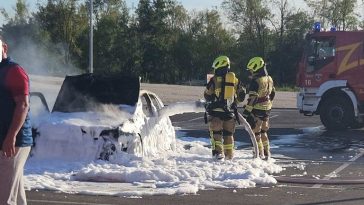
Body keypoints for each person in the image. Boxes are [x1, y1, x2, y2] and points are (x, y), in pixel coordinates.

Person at [0, 35, 33, 205]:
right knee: (15, 194)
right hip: (5, 140)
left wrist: (11, 136)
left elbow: (23, 105)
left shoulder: (13, 71)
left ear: (4, 48)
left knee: (4, 198)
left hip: (13, 142)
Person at [204, 56, 246, 160]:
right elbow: (241, 96)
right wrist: (233, 102)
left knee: (216, 133)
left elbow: (207, 95)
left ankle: (218, 154)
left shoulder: (214, 79)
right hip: (230, 113)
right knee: (229, 134)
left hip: (216, 113)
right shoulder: (235, 80)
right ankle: (229, 155)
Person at [242, 57, 275, 160]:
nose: (251, 72)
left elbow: (252, 99)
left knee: (256, 132)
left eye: (251, 69)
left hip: (257, 110)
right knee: (264, 132)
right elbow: (272, 93)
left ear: (256, 68)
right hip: (267, 109)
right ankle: (267, 153)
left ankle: (259, 154)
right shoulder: (269, 78)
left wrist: (246, 113)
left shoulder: (255, 81)